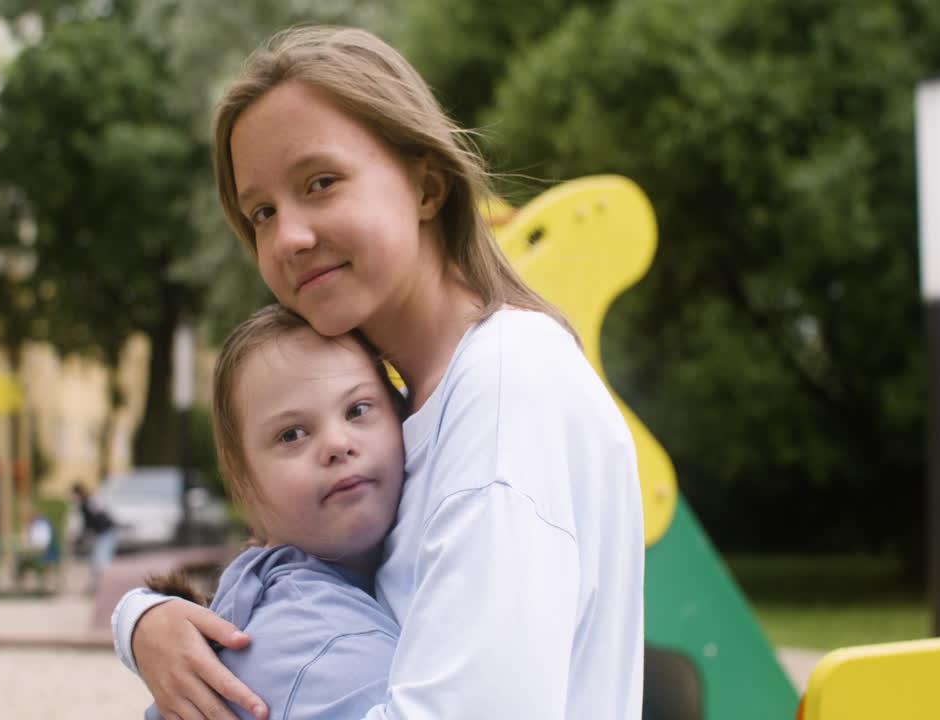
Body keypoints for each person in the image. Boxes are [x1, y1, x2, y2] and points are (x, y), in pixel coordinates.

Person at [112, 25, 644, 720]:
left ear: (426, 186)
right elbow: (292, 580)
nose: (289, 238)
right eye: (262, 212)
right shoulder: (394, 410)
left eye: (320, 183)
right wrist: (144, 621)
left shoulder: (506, 388)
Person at [139, 303, 407, 720]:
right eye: (292, 434)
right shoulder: (332, 652)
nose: (338, 443)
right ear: (244, 481)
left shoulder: (262, 586)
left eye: (357, 409)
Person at [72, 482, 118, 592]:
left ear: (77, 494)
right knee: (97, 561)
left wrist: (78, 540)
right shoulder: (88, 502)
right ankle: (99, 585)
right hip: (103, 533)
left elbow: (88, 524)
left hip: (106, 532)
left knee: (101, 561)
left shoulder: (87, 504)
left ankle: (105, 586)